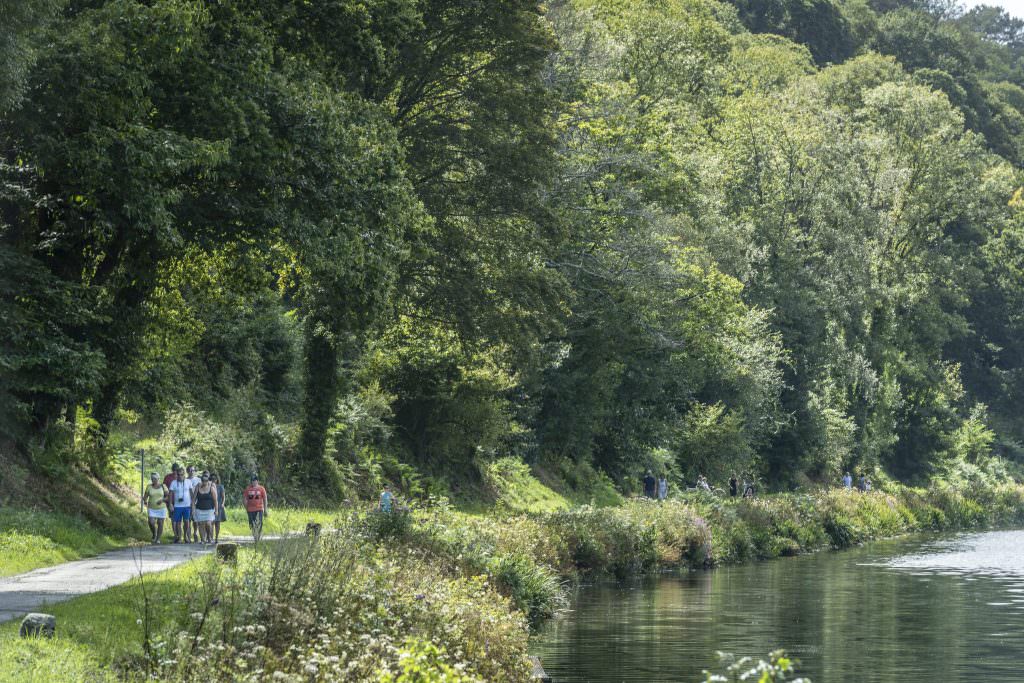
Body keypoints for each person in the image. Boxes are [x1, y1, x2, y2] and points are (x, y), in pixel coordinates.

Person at [193, 471, 219, 545]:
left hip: (209, 509)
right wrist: (193, 509)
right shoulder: (198, 486)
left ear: (208, 481)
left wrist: (216, 510)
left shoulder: (211, 487)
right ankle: (202, 539)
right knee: (201, 524)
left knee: (208, 523)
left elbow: (215, 500)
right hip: (199, 509)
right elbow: (194, 499)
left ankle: (209, 537)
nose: (204, 482)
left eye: (206, 480)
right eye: (203, 480)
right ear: (201, 480)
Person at [168, 468, 194, 543]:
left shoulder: (188, 482)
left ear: (184, 475)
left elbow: (191, 493)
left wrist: (193, 504)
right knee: (178, 522)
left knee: (186, 521)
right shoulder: (173, 482)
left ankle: (185, 535)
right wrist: (170, 504)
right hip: (177, 506)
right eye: (178, 475)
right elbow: (170, 494)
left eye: (181, 474)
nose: (180, 476)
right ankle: (179, 537)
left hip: (187, 506)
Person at [143, 472, 168, 544]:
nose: (153, 480)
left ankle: (158, 539)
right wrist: (145, 501)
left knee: (160, 523)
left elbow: (167, 496)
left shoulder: (163, 486)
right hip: (151, 508)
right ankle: (154, 533)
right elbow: (145, 496)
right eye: (152, 479)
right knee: (151, 522)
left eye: (155, 479)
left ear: (158, 479)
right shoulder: (149, 487)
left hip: (161, 508)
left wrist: (162, 500)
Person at [243, 475, 268, 541]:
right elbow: (245, 499)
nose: (253, 482)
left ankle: (258, 537)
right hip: (250, 510)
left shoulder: (261, 488)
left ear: (257, 481)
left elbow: (265, 499)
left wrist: (265, 510)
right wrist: (246, 508)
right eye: (252, 481)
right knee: (252, 524)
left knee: (259, 523)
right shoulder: (248, 489)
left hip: (259, 509)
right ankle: (255, 536)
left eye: (254, 480)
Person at [185, 466, 201, 543]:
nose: (191, 472)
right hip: (187, 502)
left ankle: (195, 532)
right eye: (190, 470)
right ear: (187, 471)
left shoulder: (198, 480)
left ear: (195, 471)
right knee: (188, 520)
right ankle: (188, 536)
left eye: (193, 470)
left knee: (195, 519)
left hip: (197, 502)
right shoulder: (185, 480)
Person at [211, 472, 226, 543]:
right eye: (212, 479)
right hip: (210, 506)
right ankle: (210, 537)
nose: (214, 480)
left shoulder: (220, 486)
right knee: (211, 522)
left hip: (219, 506)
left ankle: (216, 537)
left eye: (215, 479)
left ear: (217, 479)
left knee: (217, 523)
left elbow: (223, 497)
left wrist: (223, 503)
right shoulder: (209, 486)